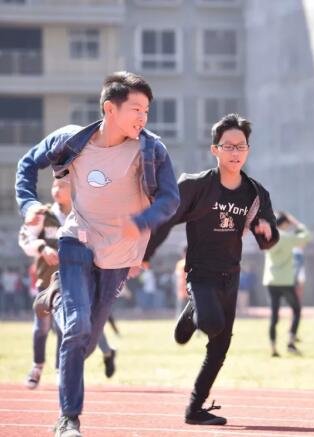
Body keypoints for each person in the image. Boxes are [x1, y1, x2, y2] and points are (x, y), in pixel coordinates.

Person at [15, 71, 179, 437]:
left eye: (147, 110)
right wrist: (28, 204)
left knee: (86, 344)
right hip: (78, 241)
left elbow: (171, 199)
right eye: (136, 108)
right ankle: (68, 418)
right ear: (109, 108)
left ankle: (52, 297)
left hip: (120, 254)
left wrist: (142, 221)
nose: (143, 117)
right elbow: (27, 164)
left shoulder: (151, 150)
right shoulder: (72, 141)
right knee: (76, 329)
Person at [143, 113, 279, 426]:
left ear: (248, 151)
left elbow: (268, 238)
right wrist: (145, 254)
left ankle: (194, 409)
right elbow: (163, 219)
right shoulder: (196, 186)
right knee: (212, 324)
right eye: (228, 146)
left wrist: (267, 232)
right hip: (200, 273)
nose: (235, 152)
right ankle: (193, 311)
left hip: (230, 274)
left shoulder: (255, 193)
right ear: (214, 149)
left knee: (220, 347)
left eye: (241, 146)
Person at [19, 178, 120, 389]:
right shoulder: (43, 214)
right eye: (54, 185)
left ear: (74, 189)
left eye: (62, 186)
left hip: (75, 283)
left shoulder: (83, 216)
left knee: (65, 328)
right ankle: (37, 366)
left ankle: (60, 371)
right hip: (47, 282)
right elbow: (25, 238)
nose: (56, 189)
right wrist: (41, 248)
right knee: (41, 327)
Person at [263, 211, 311, 357]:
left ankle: (272, 347)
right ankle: (291, 342)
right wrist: (295, 221)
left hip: (271, 280)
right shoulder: (288, 238)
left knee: (274, 315)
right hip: (285, 281)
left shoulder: (269, 236)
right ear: (284, 224)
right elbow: (307, 236)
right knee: (296, 310)